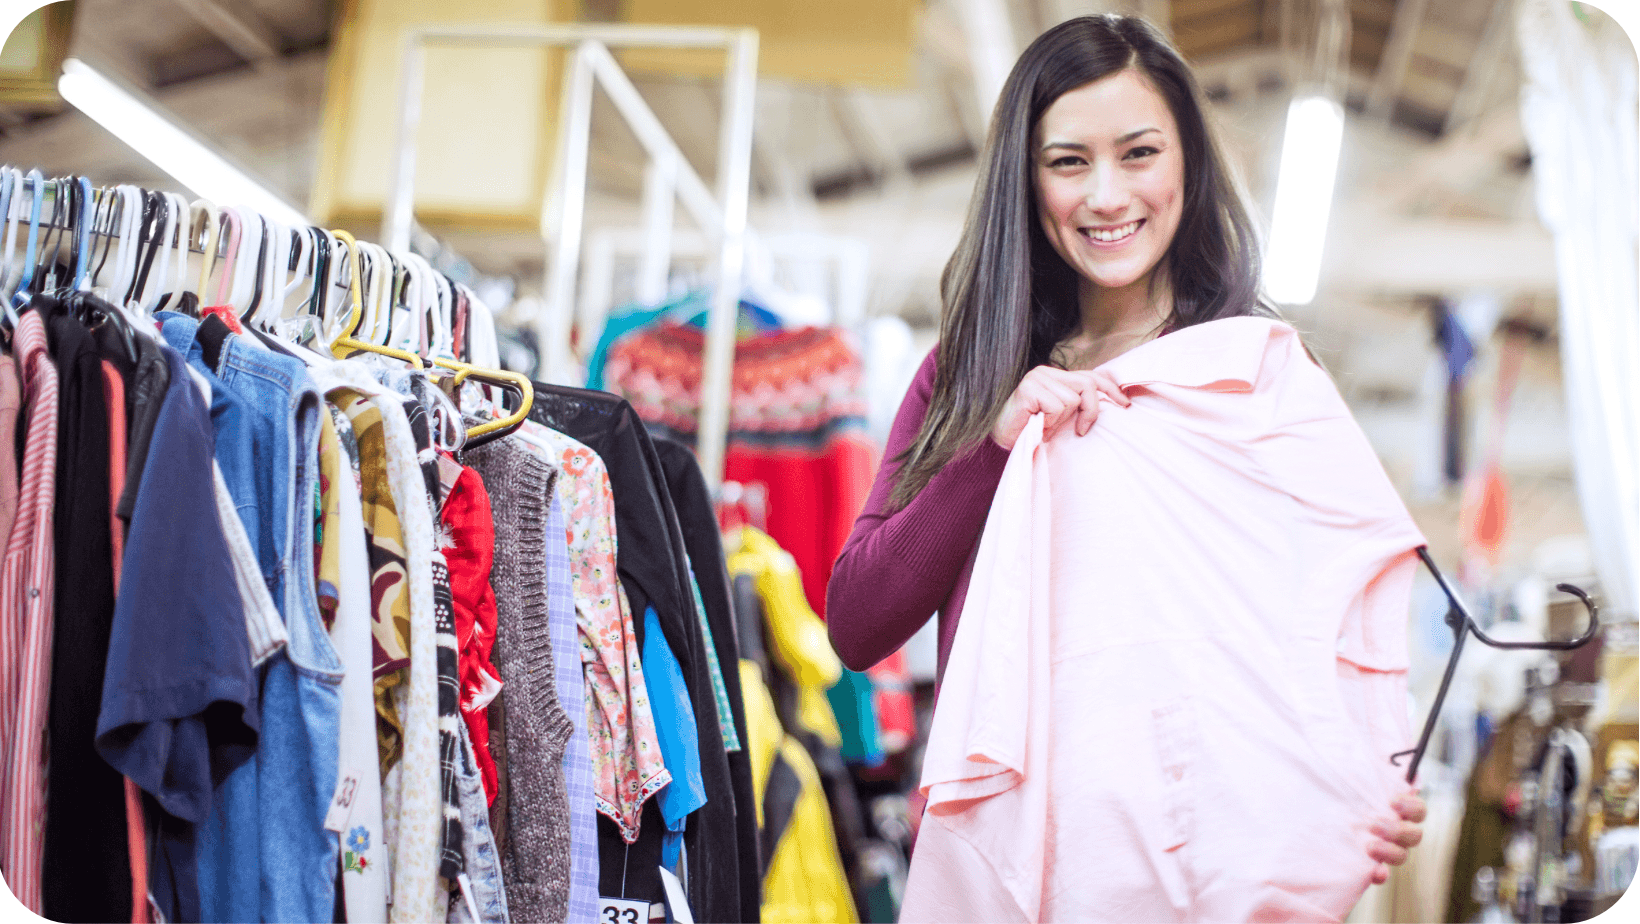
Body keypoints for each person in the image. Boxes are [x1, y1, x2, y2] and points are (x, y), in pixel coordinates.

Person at [823, 11, 1426, 899]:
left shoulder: (1253, 381)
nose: (1107, 195)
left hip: (1211, 854)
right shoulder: (965, 375)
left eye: (1139, 153)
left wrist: (1373, 766)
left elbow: (1333, 623)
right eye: (1069, 161)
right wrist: (993, 449)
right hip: (1012, 865)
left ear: (1187, 162)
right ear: (1026, 183)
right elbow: (857, 620)